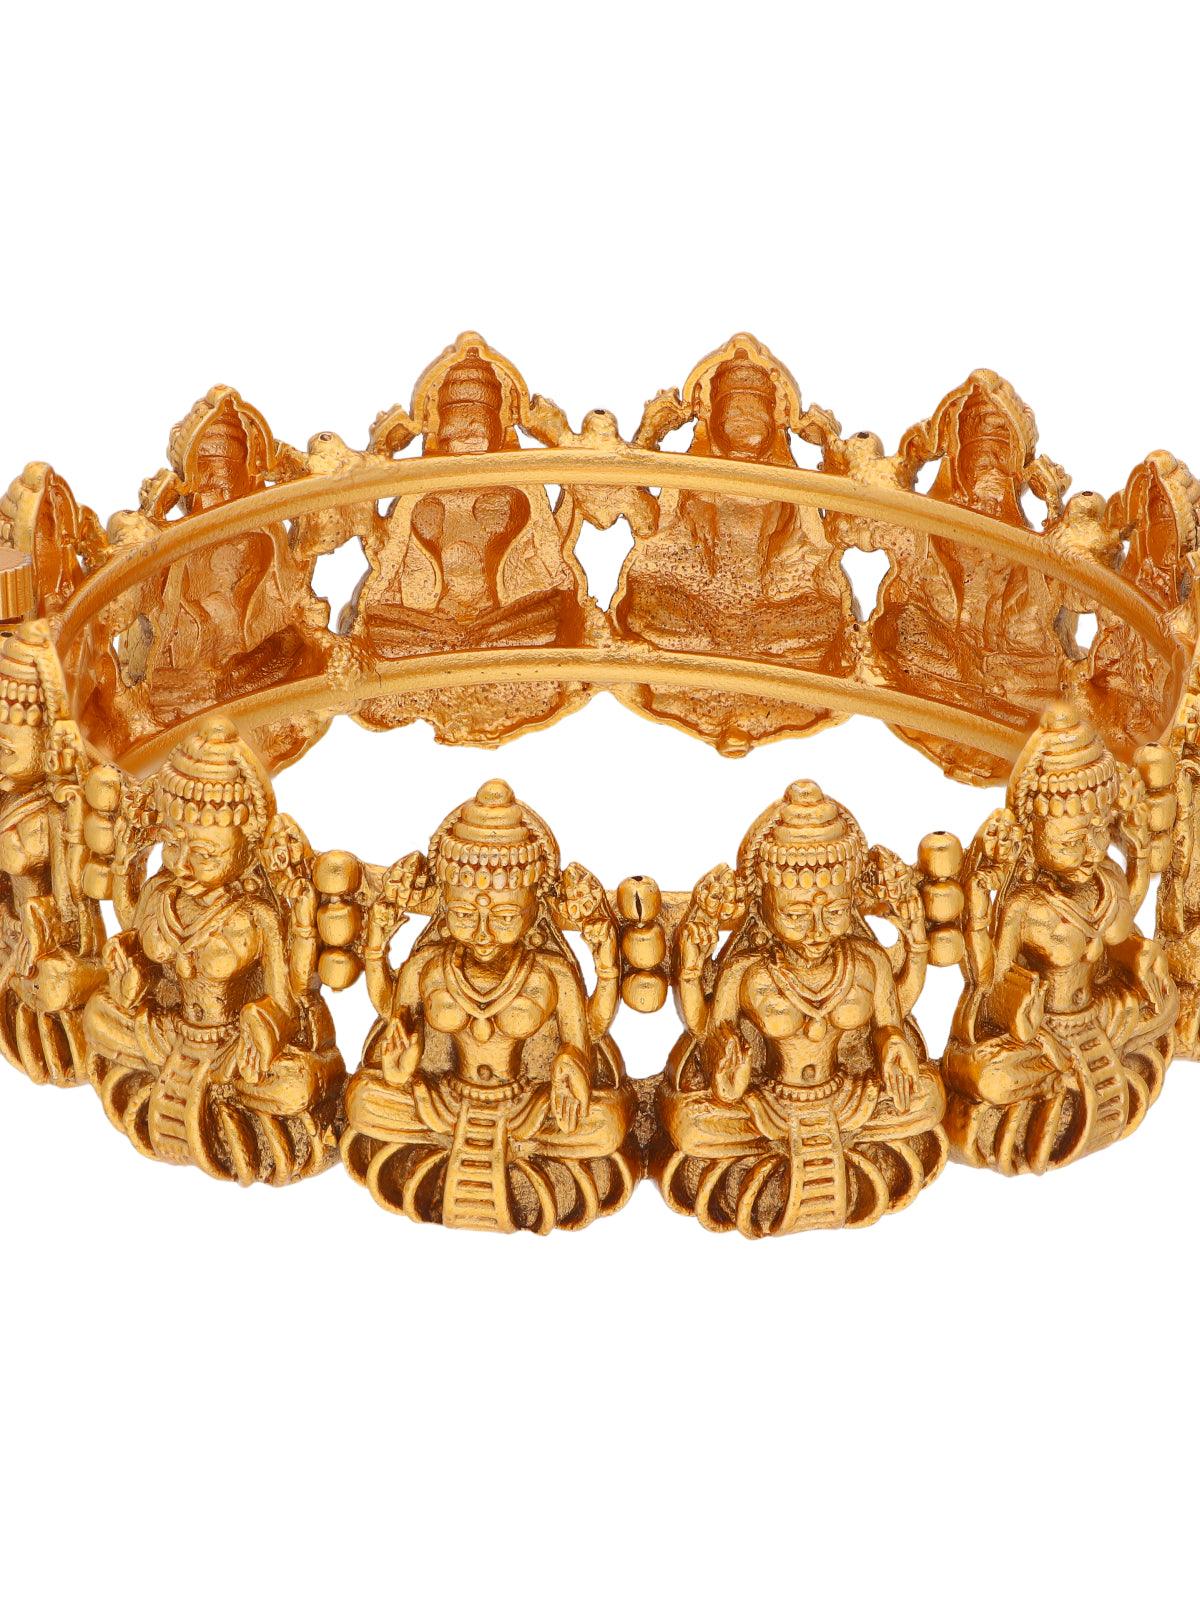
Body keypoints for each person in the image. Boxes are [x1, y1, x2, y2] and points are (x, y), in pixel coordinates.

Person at [343, 779, 638, 1232]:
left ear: (534, 908)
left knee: (607, 1123)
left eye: (503, 917)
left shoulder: (551, 974)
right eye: (464, 915)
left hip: (527, 1109)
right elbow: (391, 1012)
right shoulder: (427, 966)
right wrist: (398, 1067)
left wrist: (573, 1065)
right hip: (443, 1101)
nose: (482, 933)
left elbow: (588, 1030)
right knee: (362, 1099)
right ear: (444, 904)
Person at [657, 779, 946, 1235]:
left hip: (849, 1098)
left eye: (834, 912)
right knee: (692, 1125)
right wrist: (695, 983)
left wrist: (894, 1047)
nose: (816, 930)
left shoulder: (866, 961)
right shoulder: (748, 973)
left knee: (930, 1098)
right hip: (767, 1106)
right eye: (795, 915)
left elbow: (892, 1017)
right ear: (764, 903)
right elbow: (707, 1026)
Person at [83, 718, 344, 1183]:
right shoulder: (162, 894)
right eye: (173, 846)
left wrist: (259, 1033)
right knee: (97, 1015)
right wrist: (127, 970)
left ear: (247, 848)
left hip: (230, 1050)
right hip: (167, 1033)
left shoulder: (257, 917)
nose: (184, 865)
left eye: (205, 855)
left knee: (296, 1085)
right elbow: (133, 931)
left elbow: (288, 997)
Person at [944, 704, 1176, 1172]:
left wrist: (1138, 853)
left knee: (1165, 1003)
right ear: (1032, 836)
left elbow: (1122, 928)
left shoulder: (1104, 880)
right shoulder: (1024, 906)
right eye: (1070, 842)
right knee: (990, 1078)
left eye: (1099, 834)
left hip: (1099, 1014)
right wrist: (977, 901)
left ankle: (1066, 1081)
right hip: (1041, 1034)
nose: (1090, 852)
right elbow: (988, 979)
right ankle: (1053, 1080)